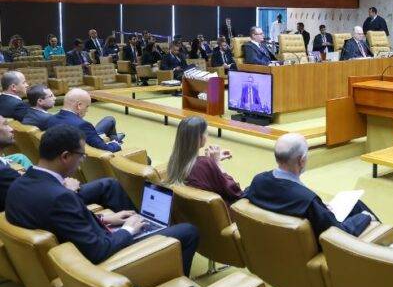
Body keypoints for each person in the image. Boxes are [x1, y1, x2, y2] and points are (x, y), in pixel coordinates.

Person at [4, 125, 198, 274]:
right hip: (100, 265)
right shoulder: (60, 197)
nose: (83, 160)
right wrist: (127, 230)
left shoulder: (20, 184)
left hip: (71, 253)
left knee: (144, 222)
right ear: (65, 156)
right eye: (81, 155)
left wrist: (106, 220)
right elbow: (98, 251)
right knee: (188, 231)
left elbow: (62, 223)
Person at [244, 133, 393, 245]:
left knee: (355, 204)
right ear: (301, 160)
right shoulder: (306, 199)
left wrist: (322, 208)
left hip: (284, 234)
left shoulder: (258, 181)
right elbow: (337, 232)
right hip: (317, 242)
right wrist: (364, 218)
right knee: (362, 213)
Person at [166, 117, 243, 206]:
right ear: (200, 137)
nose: (207, 134)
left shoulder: (174, 162)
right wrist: (217, 163)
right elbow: (235, 191)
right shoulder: (205, 164)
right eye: (206, 132)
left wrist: (211, 162)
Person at [46, 88, 125, 152]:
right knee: (116, 136)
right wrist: (115, 144)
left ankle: (115, 137)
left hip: (82, 140)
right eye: (87, 106)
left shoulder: (51, 119)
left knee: (110, 120)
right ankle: (116, 139)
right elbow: (105, 149)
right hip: (88, 148)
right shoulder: (83, 126)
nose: (87, 110)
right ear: (79, 105)